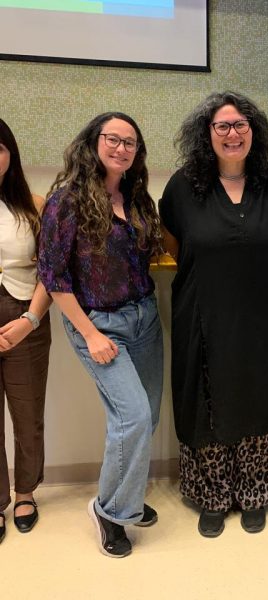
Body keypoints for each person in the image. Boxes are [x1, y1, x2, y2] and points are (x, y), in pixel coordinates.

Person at [159, 91, 268, 538]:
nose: (232, 133)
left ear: (254, 132)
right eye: (222, 126)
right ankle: (212, 497)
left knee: (259, 394)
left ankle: (256, 493)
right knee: (205, 398)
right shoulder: (183, 186)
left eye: (241, 125)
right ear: (207, 134)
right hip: (202, 313)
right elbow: (173, 244)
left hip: (265, 314)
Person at [38, 112, 163, 558]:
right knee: (133, 417)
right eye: (113, 139)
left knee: (146, 417)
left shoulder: (137, 196)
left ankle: (126, 497)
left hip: (144, 318)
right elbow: (54, 277)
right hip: (98, 324)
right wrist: (90, 334)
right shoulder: (66, 201)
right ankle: (110, 511)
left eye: (130, 142)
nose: (121, 148)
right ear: (93, 141)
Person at [0, 119, 52, 544]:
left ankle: (26, 492)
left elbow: (52, 273)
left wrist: (29, 320)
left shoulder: (34, 205)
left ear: (10, 154)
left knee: (28, 410)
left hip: (24, 315)